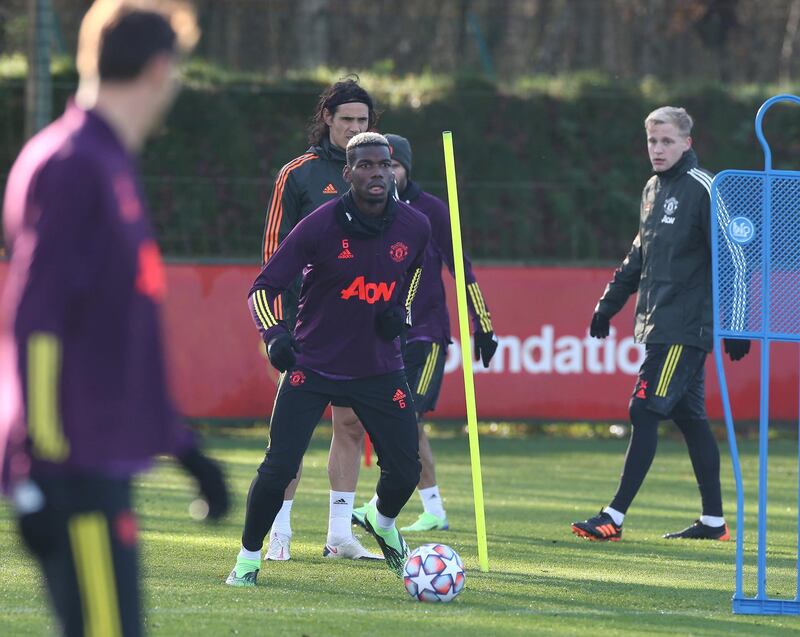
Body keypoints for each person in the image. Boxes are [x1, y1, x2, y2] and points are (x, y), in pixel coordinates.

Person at [0, 2, 229, 636]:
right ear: (160, 68)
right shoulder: (75, 164)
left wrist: (182, 448)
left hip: (101, 464)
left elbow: (112, 336)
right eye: (178, 69)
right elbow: (35, 320)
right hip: (73, 473)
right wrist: (34, 469)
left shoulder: (109, 163)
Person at [226, 132, 431, 586]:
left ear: (392, 169)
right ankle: (247, 559)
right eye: (364, 165)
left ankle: (379, 520)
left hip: (379, 367)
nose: (375, 172)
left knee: (406, 471)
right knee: (278, 468)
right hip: (313, 366)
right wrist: (274, 334)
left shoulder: (415, 226)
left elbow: (414, 273)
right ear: (348, 173)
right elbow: (263, 287)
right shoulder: (320, 224)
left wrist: (403, 311)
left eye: (382, 164)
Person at [571, 106, 750, 543]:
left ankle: (613, 515)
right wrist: (606, 305)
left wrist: (739, 322)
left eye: (667, 141)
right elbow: (638, 256)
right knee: (690, 419)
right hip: (658, 324)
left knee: (644, 408)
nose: (658, 149)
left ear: (687, 142)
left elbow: (736, 257)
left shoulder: (705, 187)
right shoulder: (652, 189)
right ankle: (713, 522)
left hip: (684, 329)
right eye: (652, 141)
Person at [260, 77, 382, 561]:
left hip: (359, 324)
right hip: (305, 327)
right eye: (347, 118)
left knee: (350, 425)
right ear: (327, 119)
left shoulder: (380, 173)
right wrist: (278, 326)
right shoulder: (299, 174)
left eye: (363, 120)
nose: (355, 127)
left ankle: (339, 536)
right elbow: (273, 255)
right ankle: (280, 532)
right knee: (292, 433)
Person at [352, 134, 497, 532]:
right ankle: (432, 508)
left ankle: (388, 505)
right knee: (396, 421)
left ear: (406, 169)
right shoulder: (368, 212)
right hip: (385, 337)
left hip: (426, 334)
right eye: (380, 166)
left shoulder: (431, 210)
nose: (387, 174)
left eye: (394, 166)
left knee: (406, 418)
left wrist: (482, 324)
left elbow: (461, 269)